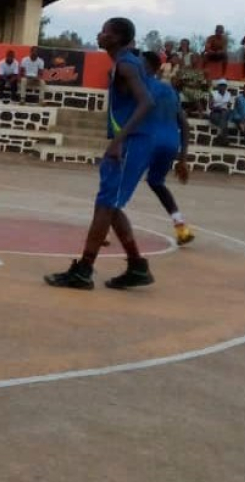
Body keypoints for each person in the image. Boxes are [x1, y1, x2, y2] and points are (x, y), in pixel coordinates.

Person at [46, 17, 156, 292]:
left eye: (105, 31)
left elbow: (146, 102)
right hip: (132, 142)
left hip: (131, 144)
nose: (100, 34)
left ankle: (84, 270)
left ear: (117, 38)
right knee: (111, 205)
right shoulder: (126, 62)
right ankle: (136, 265)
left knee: (105, 205)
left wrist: (119, 141)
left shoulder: (127, 65)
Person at [141, 52, 196, 246]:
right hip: (171, 143)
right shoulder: (170, 91)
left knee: (119, 180)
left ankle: (105, 227)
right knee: (156, 182)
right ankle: (181, 226)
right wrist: (182, 157)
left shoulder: (142, 86)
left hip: (149, 140)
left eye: (140, 63)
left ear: (148, 67)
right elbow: (185, 124)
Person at [208, 80, 233, 145]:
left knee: (225, 113)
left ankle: (220, 137)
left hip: (225, 113)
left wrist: (228, 107)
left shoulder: (228, 94)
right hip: (215, 113)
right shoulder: (213, 93)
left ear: (226, 87)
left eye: (224, 86)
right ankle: (224, 138)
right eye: (221, 85)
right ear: (218, 86)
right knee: (224, 121)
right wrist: (220, 109)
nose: (222, 87)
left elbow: (229, 105)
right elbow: (210, 106)